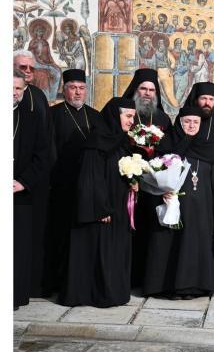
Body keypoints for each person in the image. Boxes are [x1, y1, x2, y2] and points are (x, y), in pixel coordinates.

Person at [143, 106, 214, 298]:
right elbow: (155, 174)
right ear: (180, 123)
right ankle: (168, 287)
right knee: (171, 245)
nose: (191, 126)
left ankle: (194, 287)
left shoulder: (207, 147)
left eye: (195, 122)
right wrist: (160, 192)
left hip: (201, 211)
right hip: (172, 206)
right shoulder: (168, 144)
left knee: (195, 247)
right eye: (187, 122)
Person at [58, 97, 138, 307]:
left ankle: (112, 292)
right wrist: (100, 208)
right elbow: (90, 178)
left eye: (133, 116)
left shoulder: (120, 140)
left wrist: (133, 181)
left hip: (117, 207)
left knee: (112, 252)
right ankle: (96, 294)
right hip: (101, 210)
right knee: (97, 251)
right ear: (114, 115)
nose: (132, 121)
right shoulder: (97, 141)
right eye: (128, 116)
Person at [47, 69, 104, 294]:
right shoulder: (53, 114)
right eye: (72, 87)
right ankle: (57, 281)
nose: (78, 92)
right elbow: (49, 150)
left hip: (88, 186)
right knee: (60, 234)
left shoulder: (95, 115)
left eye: (81, 88)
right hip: (62, 183)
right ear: (64, 89)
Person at [121, 68, 173, 288]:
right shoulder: (125, 113)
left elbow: (171, 153)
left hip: (153, 187)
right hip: (127, 183)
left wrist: (155, 158)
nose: (147, 93)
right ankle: (125, 277)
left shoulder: (162, 118)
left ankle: (146, 278)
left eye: (152, 90)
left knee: (150, 231)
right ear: (135, 90)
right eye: (143, 88)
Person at [14, 49, 53, 298]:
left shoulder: (37, 99)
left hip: (27, 184)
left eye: (31, 69)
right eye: (23, 68)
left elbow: (44, 146)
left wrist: (25, 181)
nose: (28, 73)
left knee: (23, 242)